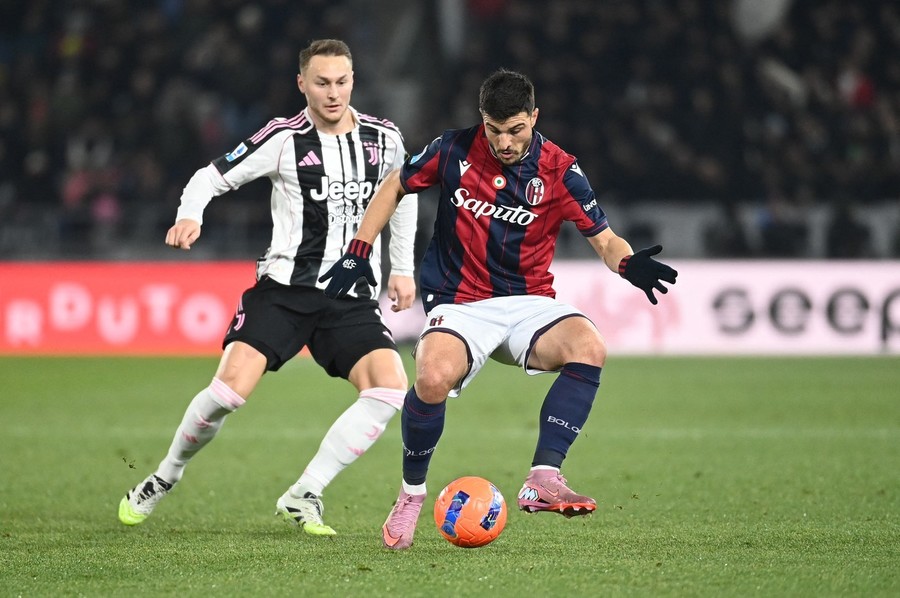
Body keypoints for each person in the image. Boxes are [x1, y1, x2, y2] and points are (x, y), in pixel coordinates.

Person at [320, 69, 677, 549]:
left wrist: (628, 262)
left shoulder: (560, 169)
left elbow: (606, 239)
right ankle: (410, 495)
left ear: (534, 116)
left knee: (589, 347)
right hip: (459, 300)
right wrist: (359, 249)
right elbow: (395, 185)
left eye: (515, 130)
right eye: (494, 129)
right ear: (481, 119)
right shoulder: (452, 149)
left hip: (529, 301)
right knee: (430, 379)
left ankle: (544, 477)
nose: (505, 142)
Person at [118, 39, 418, 536]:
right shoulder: (283, 137)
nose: (332, 92)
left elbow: (402, 196)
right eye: (321, 82)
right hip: (284, 290)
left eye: (341, 81)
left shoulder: (385, 139)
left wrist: (402, 268)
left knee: (389, 390)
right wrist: (189, 215)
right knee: (227, 393)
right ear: (302, 84)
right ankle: (164, 476)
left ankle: (305, 492)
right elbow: (209, 177)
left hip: (350, 295)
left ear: (353, 80)